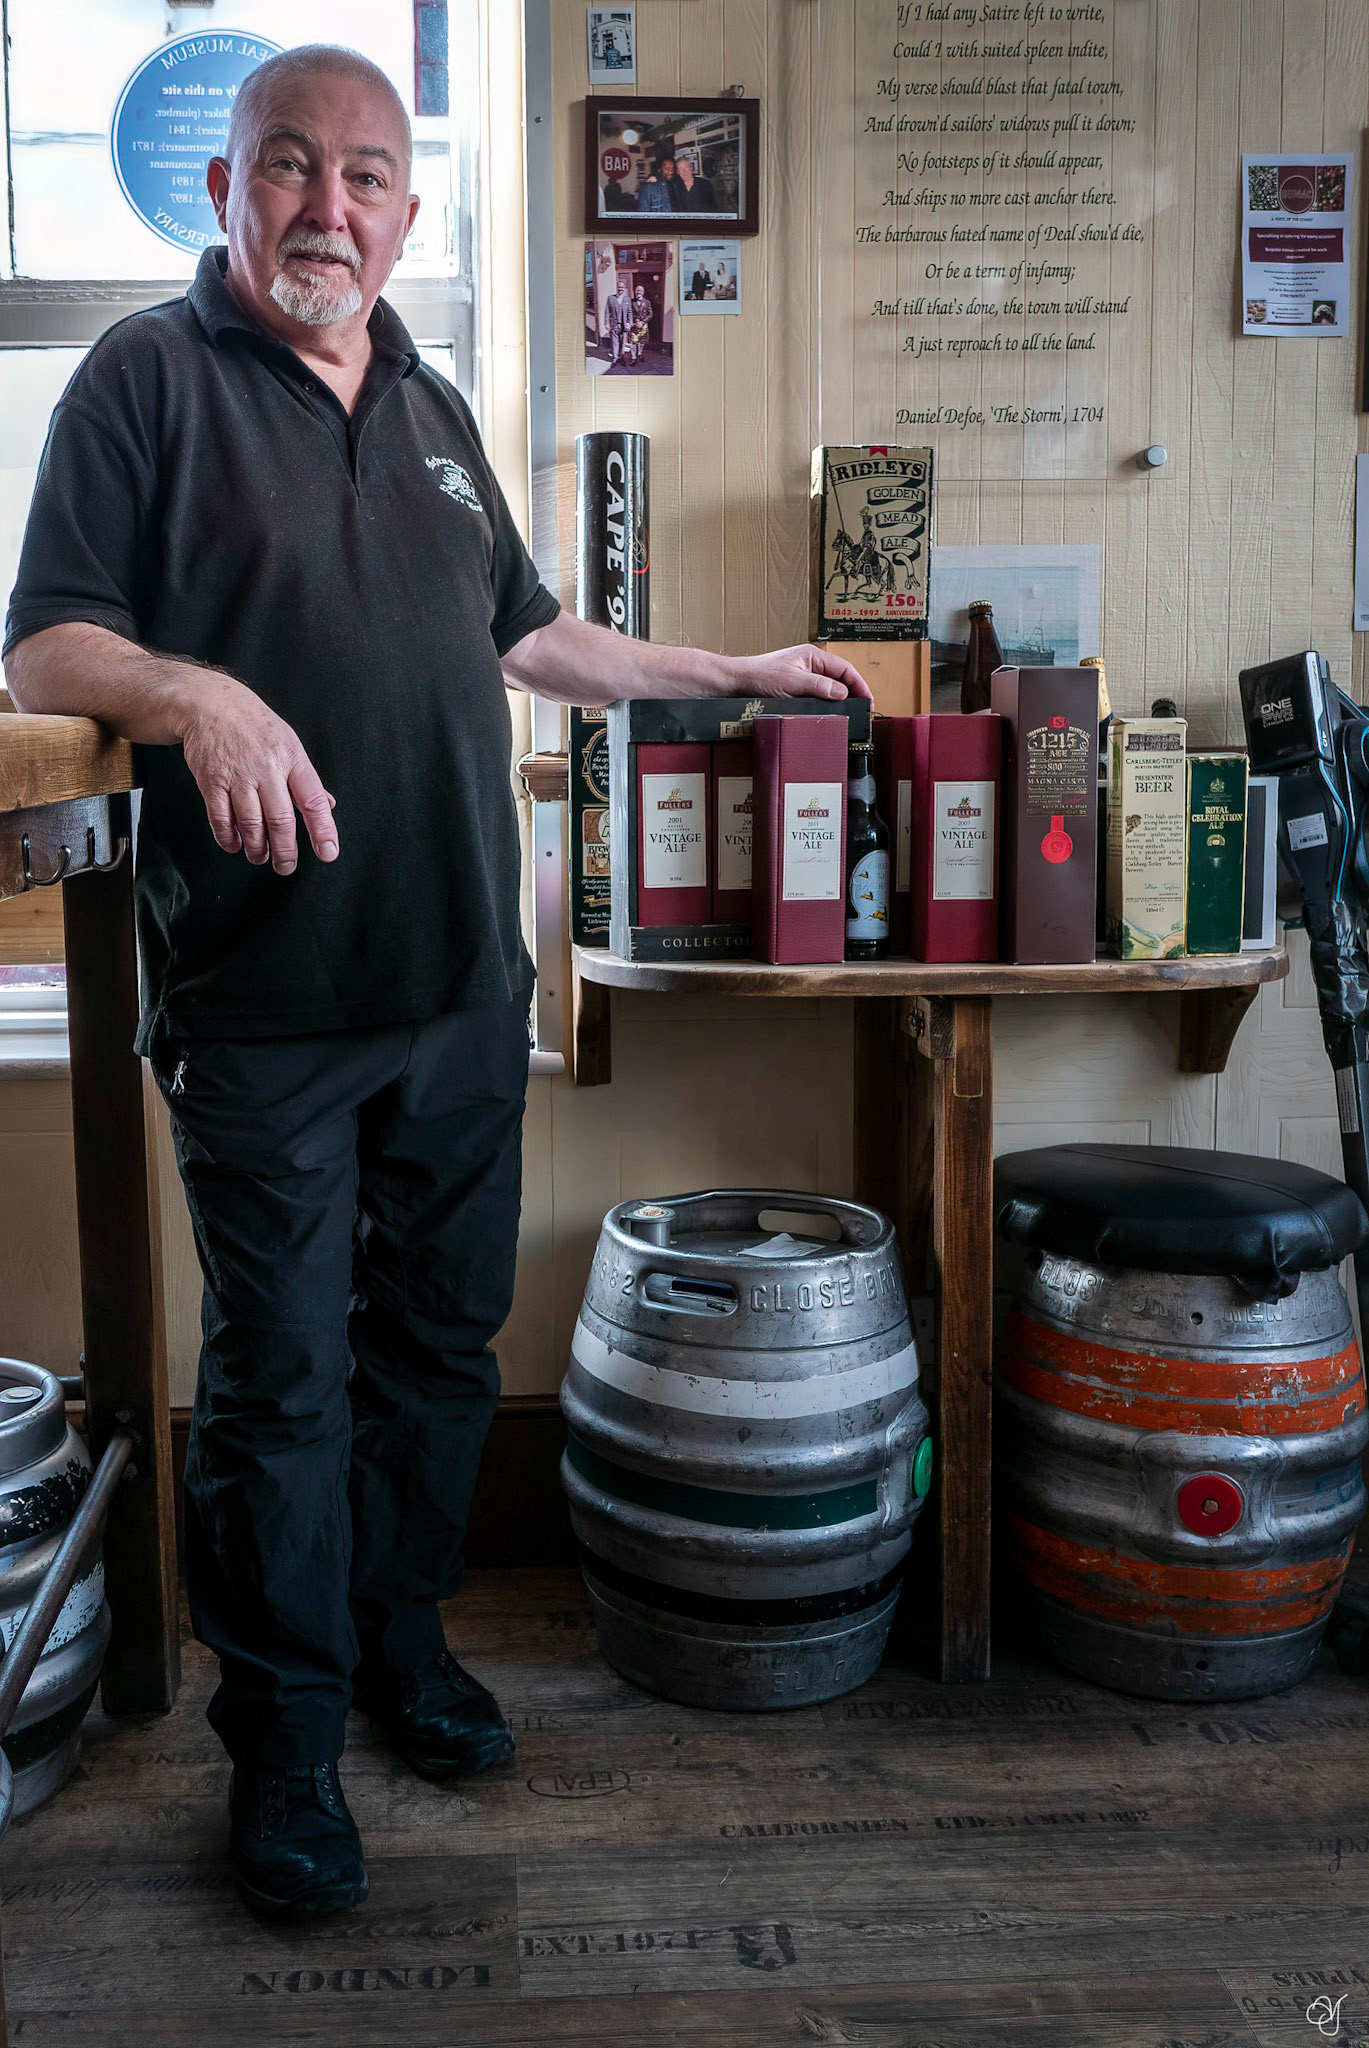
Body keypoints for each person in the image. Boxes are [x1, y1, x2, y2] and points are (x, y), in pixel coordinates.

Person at [3, 43, 867, 1923]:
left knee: (432, 1353)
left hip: (461, 981)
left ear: (408, 210)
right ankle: (289, 1743)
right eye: (293, 168)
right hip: (262, 1001)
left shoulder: (427, 399)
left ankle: (401, 1651)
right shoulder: (142, 381)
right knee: (281, 1385)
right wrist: (194, 691)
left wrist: (733, 665)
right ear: (229, 190)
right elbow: (49, 641)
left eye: (368, 175)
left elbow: (532, 636)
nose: (331, 205)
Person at [605, 276, 632, 362]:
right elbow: (607, 311)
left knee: (622, 343)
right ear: (617, 288)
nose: (620, 289)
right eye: (619, 287)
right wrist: (607, 323)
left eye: (622, 287)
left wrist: (629, 323)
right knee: (615, 343)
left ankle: (622, 357)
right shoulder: (611, 298)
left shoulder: (627, 299)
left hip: (623, 326)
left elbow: (630, 313)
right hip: (614, 325)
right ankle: (615, 358)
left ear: (624, 289)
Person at [629, 284, 652, 361]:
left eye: (640, 290)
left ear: (643, 292)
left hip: (643, 325)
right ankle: (633, 358)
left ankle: (640, 354)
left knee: (642, 342)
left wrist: (642, 322)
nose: (639, 292)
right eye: (637, 290)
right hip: (634, 325)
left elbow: (650, 314)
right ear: (635, 292)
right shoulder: (631, 301)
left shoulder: (647, 302)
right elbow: (629, 313)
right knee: (633, 341)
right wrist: (634, 322)